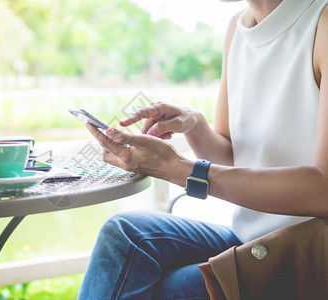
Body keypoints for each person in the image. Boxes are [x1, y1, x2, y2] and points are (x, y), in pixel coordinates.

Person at [77, 0, 328, 299]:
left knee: (168, 290)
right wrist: (194, 124)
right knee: (124, 233)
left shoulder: (322, 22)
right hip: (250, 237)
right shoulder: (237, 27)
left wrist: (178, 170)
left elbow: (322, 190)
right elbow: (231, 157)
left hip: (308, 251)